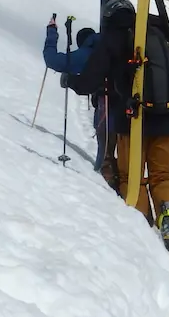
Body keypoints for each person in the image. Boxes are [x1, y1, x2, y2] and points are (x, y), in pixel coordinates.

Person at [67, 0, 169, 248]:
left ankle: (144, 231)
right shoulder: (155, 32)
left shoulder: (113, 38)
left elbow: (89, 80)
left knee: (132, 177)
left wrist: (71, 81)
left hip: (132, 120)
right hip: (166, 117)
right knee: (162, 174)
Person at [41, 15, 117, 191]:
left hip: (107, 105)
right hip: (132, 106)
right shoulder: (112, 46)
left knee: (105, 149)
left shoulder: (87, 52)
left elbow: (53, 60)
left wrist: (51, 32)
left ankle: (105, 185)